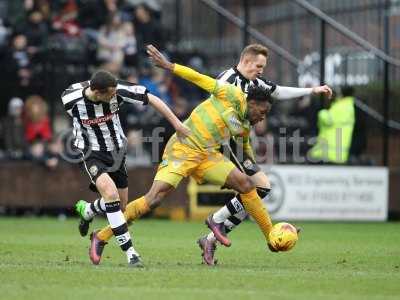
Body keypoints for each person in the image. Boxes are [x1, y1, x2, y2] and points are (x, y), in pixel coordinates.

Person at [80, 44, 278, 266]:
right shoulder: (230, 93)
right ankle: (102, 235)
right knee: (153, 200)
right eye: (262, 112)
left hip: (207, 155)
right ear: (253, 103)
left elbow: (245, 150)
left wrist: (253, 165)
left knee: (245, 184)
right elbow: (198, 77)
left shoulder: (244, 124)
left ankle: (267, 234)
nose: (263, 118)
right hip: (182, 148)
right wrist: (168, 66)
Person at [197, 44, 332, 265]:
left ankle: (211, 237)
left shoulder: (254, 83)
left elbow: (277, 91)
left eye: (263, 67)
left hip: (239, 142)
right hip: (222, 142)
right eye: (259, 66)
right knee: (260, 188)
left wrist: (311, 90)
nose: (261, 70)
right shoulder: (227, 80)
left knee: (260, 190)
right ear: (247, 61)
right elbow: (211, 110)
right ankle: (218, 222)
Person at [62, 69, 190, 267]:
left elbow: (152, 98)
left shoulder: (117, 88)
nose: (115, 95)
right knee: (110, 194)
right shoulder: (70, 98)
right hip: (90, 152)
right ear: (97, 93)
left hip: (116, 151)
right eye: (110, 94)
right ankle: (131, 253)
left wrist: (177, 124)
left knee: (120, 207)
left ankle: (88, 210)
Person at [308, 85, 355, 164]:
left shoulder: (343, 106)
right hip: (332, 153)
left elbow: (329, 120)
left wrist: (321, 113)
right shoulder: (346, 106)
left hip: (331, 154)